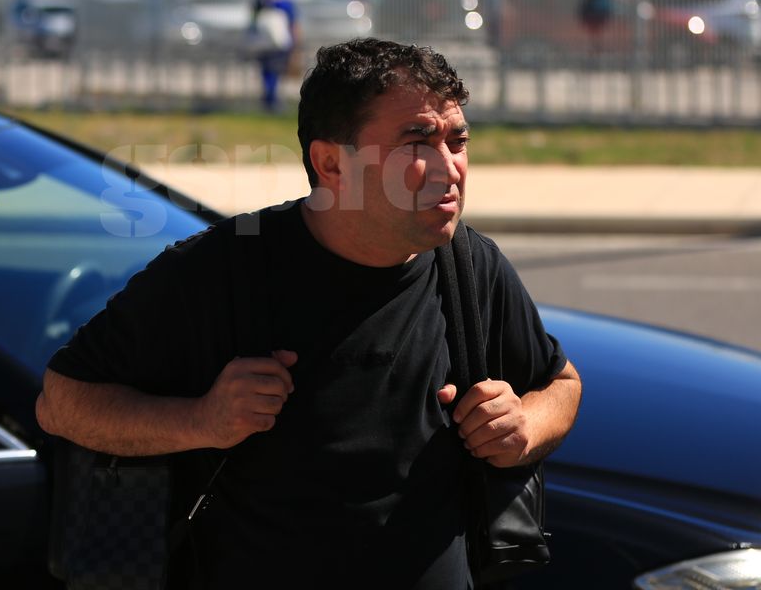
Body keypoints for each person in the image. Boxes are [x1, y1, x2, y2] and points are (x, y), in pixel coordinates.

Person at [36, 37, 581, 589]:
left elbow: (561, 385)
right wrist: (201, 421)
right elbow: (62, 402)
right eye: (417, 142)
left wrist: (522, 428)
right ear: (330, 163)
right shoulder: (219, 271)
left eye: (457, 141)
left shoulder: (471, 267)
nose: (449, 169)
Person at [248, 0, 299, 112]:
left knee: (266, 72)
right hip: (280, 44)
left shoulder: (260, 2)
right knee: (275, 73)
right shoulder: (285, 3)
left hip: (262, 44)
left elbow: (252, 23)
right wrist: (295, 43)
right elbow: (293, 24)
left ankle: (269, 100)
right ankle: (272, 101)